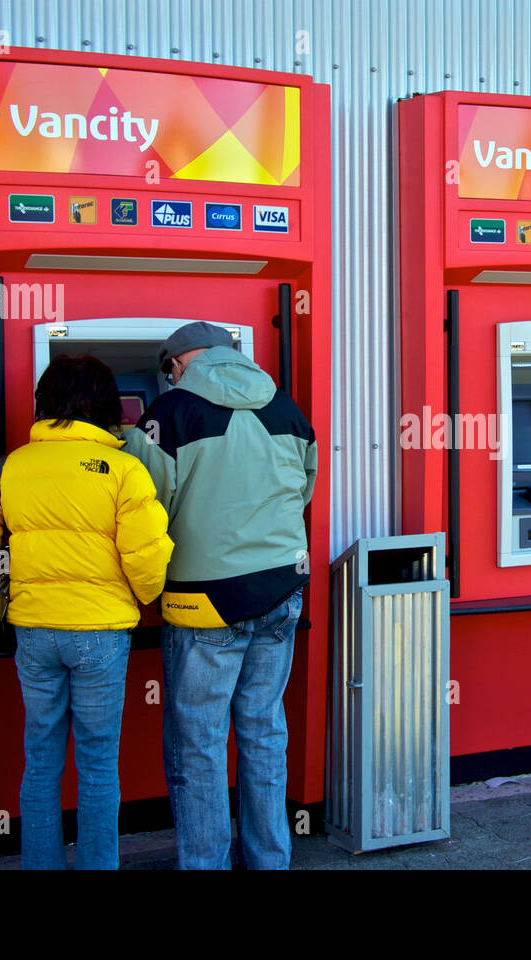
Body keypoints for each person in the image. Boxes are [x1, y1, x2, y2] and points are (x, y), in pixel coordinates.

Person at [0, 354, 173, 868]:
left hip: (34, 631)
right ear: (109, 406)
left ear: (44, 404)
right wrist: (142, 594)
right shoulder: (124, 469)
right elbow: (148, 557)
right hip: (100, 633)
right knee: (98, 764)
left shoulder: (9, 466)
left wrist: (9, 554)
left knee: (41, 759)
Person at [121, 322, 316, 870]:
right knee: (263, 730)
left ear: (179, 362)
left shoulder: (170, 413)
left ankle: (204, 863)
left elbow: (143, 504)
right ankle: (269, 858)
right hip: (281, 589)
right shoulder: (285, 407)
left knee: (199, 742)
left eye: (169, 370)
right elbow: (304, 487)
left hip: (203, 599)